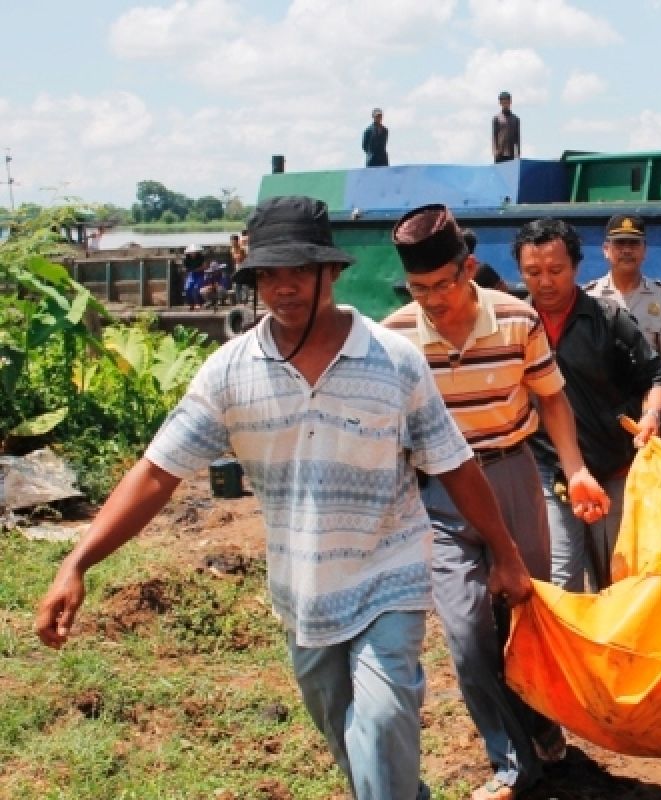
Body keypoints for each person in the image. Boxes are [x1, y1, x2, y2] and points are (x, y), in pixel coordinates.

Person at [35, 195, 533, 800]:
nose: (282, 288)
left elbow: (453, 464)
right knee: (345, 736)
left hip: (390, 574)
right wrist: (76, 561)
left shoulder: (392, 359)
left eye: (298, 271)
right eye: (268, 274)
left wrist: (504, 552)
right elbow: (157, 472)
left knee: (379, 722)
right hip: (304, 591)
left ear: (333, 272)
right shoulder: (230, 372)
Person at [383, 204, 608, 800]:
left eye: (444, 284)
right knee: (466, 632)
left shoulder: (516, 319)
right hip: (440, 495)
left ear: (469, 268)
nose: (433, 299)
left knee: (524, 618)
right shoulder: (394, 337)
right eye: (420, 288)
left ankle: (544, 729)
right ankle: (512, 764)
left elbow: (552, 400)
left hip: (511, 478)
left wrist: (578, 469)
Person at [514, 217, 661, 591]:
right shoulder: (513, 325)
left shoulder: (608, 318)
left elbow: (658, 375)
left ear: (576, 267)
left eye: (556, 270)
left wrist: (650, 414)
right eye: (532, 272)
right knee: (560, 577)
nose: (545, 282)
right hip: (548, 469)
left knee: (616, 577)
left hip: (612, 467)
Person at [584, 214, 661, 442]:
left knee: (653, 469)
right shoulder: (590, 298)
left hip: (653, 397)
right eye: (620, 243)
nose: (627, 250)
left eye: (634, 243)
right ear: (606, 249)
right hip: (604, 402)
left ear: (644, 250)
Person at [492, 92, 520, 163]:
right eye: (503, 102)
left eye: (507, 102)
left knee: (511, 173)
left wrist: (518, 153)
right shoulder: (496, 118)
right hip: (500, 154)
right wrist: (495, 151)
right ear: (500, 103)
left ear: (510, 102)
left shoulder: (516, 119)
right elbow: (494, 136)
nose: (505, 104)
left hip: (512, 154)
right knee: (499, 173)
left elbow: (517, 138)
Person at [181, 244, 206, 310]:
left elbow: (204, 266)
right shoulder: (186, 259)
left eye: (194, 252)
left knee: (197, 287)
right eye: (192, 252)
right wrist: (187, 270)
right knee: (187, 288)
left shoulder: (201, 257)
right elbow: (184, 268)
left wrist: (196, 269)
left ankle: (198, 303)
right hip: (191, 275)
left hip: (200, 274)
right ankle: (190, 303)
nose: (193, 253)